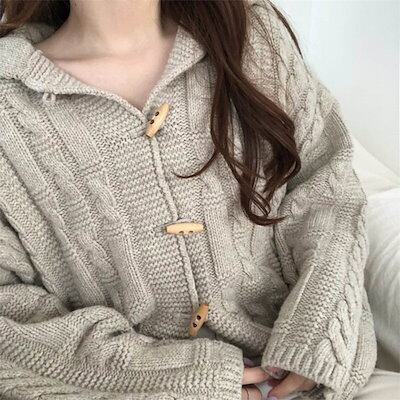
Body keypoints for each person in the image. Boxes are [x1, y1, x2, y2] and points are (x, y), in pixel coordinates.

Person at [0, 0, 381, 399]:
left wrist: (318, 333)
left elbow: (328, 194)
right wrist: (173, 379)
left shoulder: (252, 41)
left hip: (300, 376)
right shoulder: (10, 103)